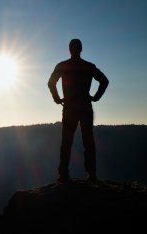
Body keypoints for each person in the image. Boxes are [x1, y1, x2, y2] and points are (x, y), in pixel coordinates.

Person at [47, 39, 109, 183]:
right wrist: (96, 97)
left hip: (69, 107)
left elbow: (51, 83)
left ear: (69, 49)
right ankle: (92, 175)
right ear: (81, 49)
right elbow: (104, 81)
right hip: (85, 106)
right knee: (88, 141)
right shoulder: (88, 66)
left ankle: (63, 175)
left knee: (67, 141)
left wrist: (57, 98)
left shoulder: (62, 66)